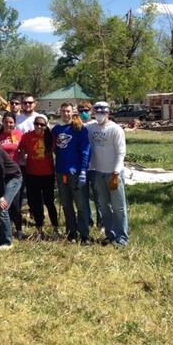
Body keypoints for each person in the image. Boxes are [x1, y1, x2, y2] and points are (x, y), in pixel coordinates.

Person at [86, 101, 128, 247]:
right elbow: (77, 126)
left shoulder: (115, 129)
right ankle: (110, 235)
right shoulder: (90, 127)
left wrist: (116, 173)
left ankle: (122, 237)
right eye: (97, 112)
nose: (99, 115)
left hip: (113, 173)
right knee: (104, 207)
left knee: (118, 207)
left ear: (108, 113)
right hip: (98, 173)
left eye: (102, 113)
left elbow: (121, 152)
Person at [52, 103, 91, 244]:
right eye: (63, 111)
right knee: (67, 205)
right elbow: (55, 149)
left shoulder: (79, 128)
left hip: (75, 172)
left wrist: (83, 171)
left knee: (81, 205)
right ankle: (71, 233)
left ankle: (84, 235)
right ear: (60, 112)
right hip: (61, 172)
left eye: (68, 111)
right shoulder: (56, 129)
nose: (66, 114)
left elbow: (85, 151)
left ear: (72, 112)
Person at [18, 115, 58, 239]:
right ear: (33, 124)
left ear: (46, 126)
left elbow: (58, 152)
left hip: (48, 174)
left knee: (49, 202)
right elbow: (20, 151)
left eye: (42, 124)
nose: (39, 126)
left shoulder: (50, 137)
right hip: (32, 174)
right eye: (37, 124)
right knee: (36, 204)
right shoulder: (26, 136)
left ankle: (55, 228)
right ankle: (39, 230)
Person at [0, 112, 24, 239]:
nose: (8, 124)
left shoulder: (19, 135)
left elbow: (24, 150)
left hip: (14, 173)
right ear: (2, 122)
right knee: (1, 202)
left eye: (11, 122)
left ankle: (19, 229)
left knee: (15, 203)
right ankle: (2, 229)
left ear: (14, 123)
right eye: (6, 122)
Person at [78, 100, 102, 229]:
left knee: (99, 196)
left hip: (96, 165)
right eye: (81, 111)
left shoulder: (96, 124)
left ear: (91, 111)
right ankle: (88, 221)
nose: (83, 113)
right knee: (84, 197)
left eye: (86, 110)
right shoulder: (77, 125)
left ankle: (101, 222)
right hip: (83, 167)